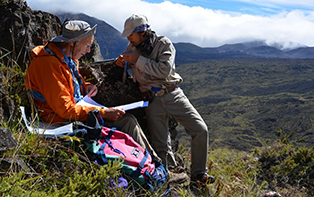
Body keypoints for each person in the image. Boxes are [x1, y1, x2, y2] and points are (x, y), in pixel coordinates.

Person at [25, 19, 157, 157]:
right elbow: (65, 110)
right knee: (127, 122)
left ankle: (154, 164)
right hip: (60, 122)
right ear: (72, 42)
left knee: (128, 121)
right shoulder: (49, 65)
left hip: (74, 115)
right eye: (87, 45)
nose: (88, 50)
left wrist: (87, 87)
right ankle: (153, 166)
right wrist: (103, 112)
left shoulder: (67, 59)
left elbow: (68, 86)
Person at [116, 14, 215, 187]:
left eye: (132, 34)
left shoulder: (163, 44)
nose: (129, 38)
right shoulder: (131, 47)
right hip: (151, 100)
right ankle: (171, 177)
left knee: (200, 129)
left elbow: (164, 71)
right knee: (161, 145)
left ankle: (198, 175)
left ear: (143, 32)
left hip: (172, 94)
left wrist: (137, 60)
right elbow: (131, 72)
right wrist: (122, 64)